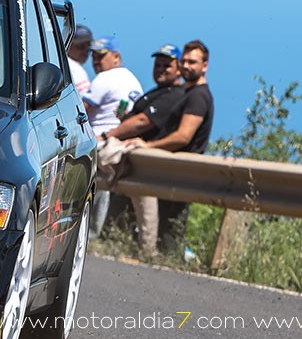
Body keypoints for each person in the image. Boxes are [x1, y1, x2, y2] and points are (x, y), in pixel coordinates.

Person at [127, 39, 214, 252]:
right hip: (173, 173)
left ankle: (168, 270)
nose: (186, 66)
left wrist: (148, 146)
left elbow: (183, 137)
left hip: (181, 173)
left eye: (192, 62)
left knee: (170, 233)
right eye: (184, 61)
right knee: (164, 228)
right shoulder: (189, 93)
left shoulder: (198, 97)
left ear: (205, 66)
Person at [102, 44, 187, 254]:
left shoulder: (175, 94)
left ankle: (146, 250)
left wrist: (108, 135)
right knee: (122, 209)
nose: (161, 69)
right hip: (133, 160)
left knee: (142, 206)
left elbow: (143, 121)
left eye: (167, 65)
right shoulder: (158, 92)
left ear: (178, 69)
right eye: (157, 65)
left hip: (144, 162)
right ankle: (114, 244)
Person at [83, 36, 143, 235]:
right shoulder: (132, 80)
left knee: (92, 187)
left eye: (101, 56)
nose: (96, 61)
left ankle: (90, 232)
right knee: (104, 189)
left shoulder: (105, 78)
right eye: (93, 56)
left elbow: (83, 109)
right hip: (120, 142)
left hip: (100, 139)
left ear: (116, 57)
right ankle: (104, 232)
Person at [66, 25, 92, 97]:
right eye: (80, 46)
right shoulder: (74, 68)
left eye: (88, 48)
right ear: (69, 44)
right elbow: (85, 105)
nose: (85, 52)